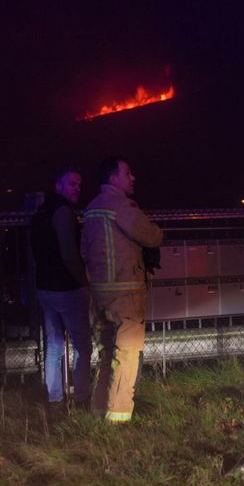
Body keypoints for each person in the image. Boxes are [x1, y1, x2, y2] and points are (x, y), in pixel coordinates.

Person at [81, 157, 163, 423]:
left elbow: (84, 250)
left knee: (106, 353)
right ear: (113, 178)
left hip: (99, 293)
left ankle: (98, 409)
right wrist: (158, 233)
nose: (133, 178)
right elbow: (150, 235)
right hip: (125, 293)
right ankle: (118, 417)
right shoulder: (121, 206)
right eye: (128, 173)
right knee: (126, 353)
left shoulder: (92, 208)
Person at [30, 166, 91, 411]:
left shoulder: (40, 213)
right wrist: (82, 282)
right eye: (72, 184)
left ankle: (54, 398)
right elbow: (68, 253)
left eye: (79, 184)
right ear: (59, 186)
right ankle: (82, 397)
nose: (77, 188)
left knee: (54, 345)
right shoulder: (64, 212)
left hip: (45, 288)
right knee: (82, 345)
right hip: (67, 288)